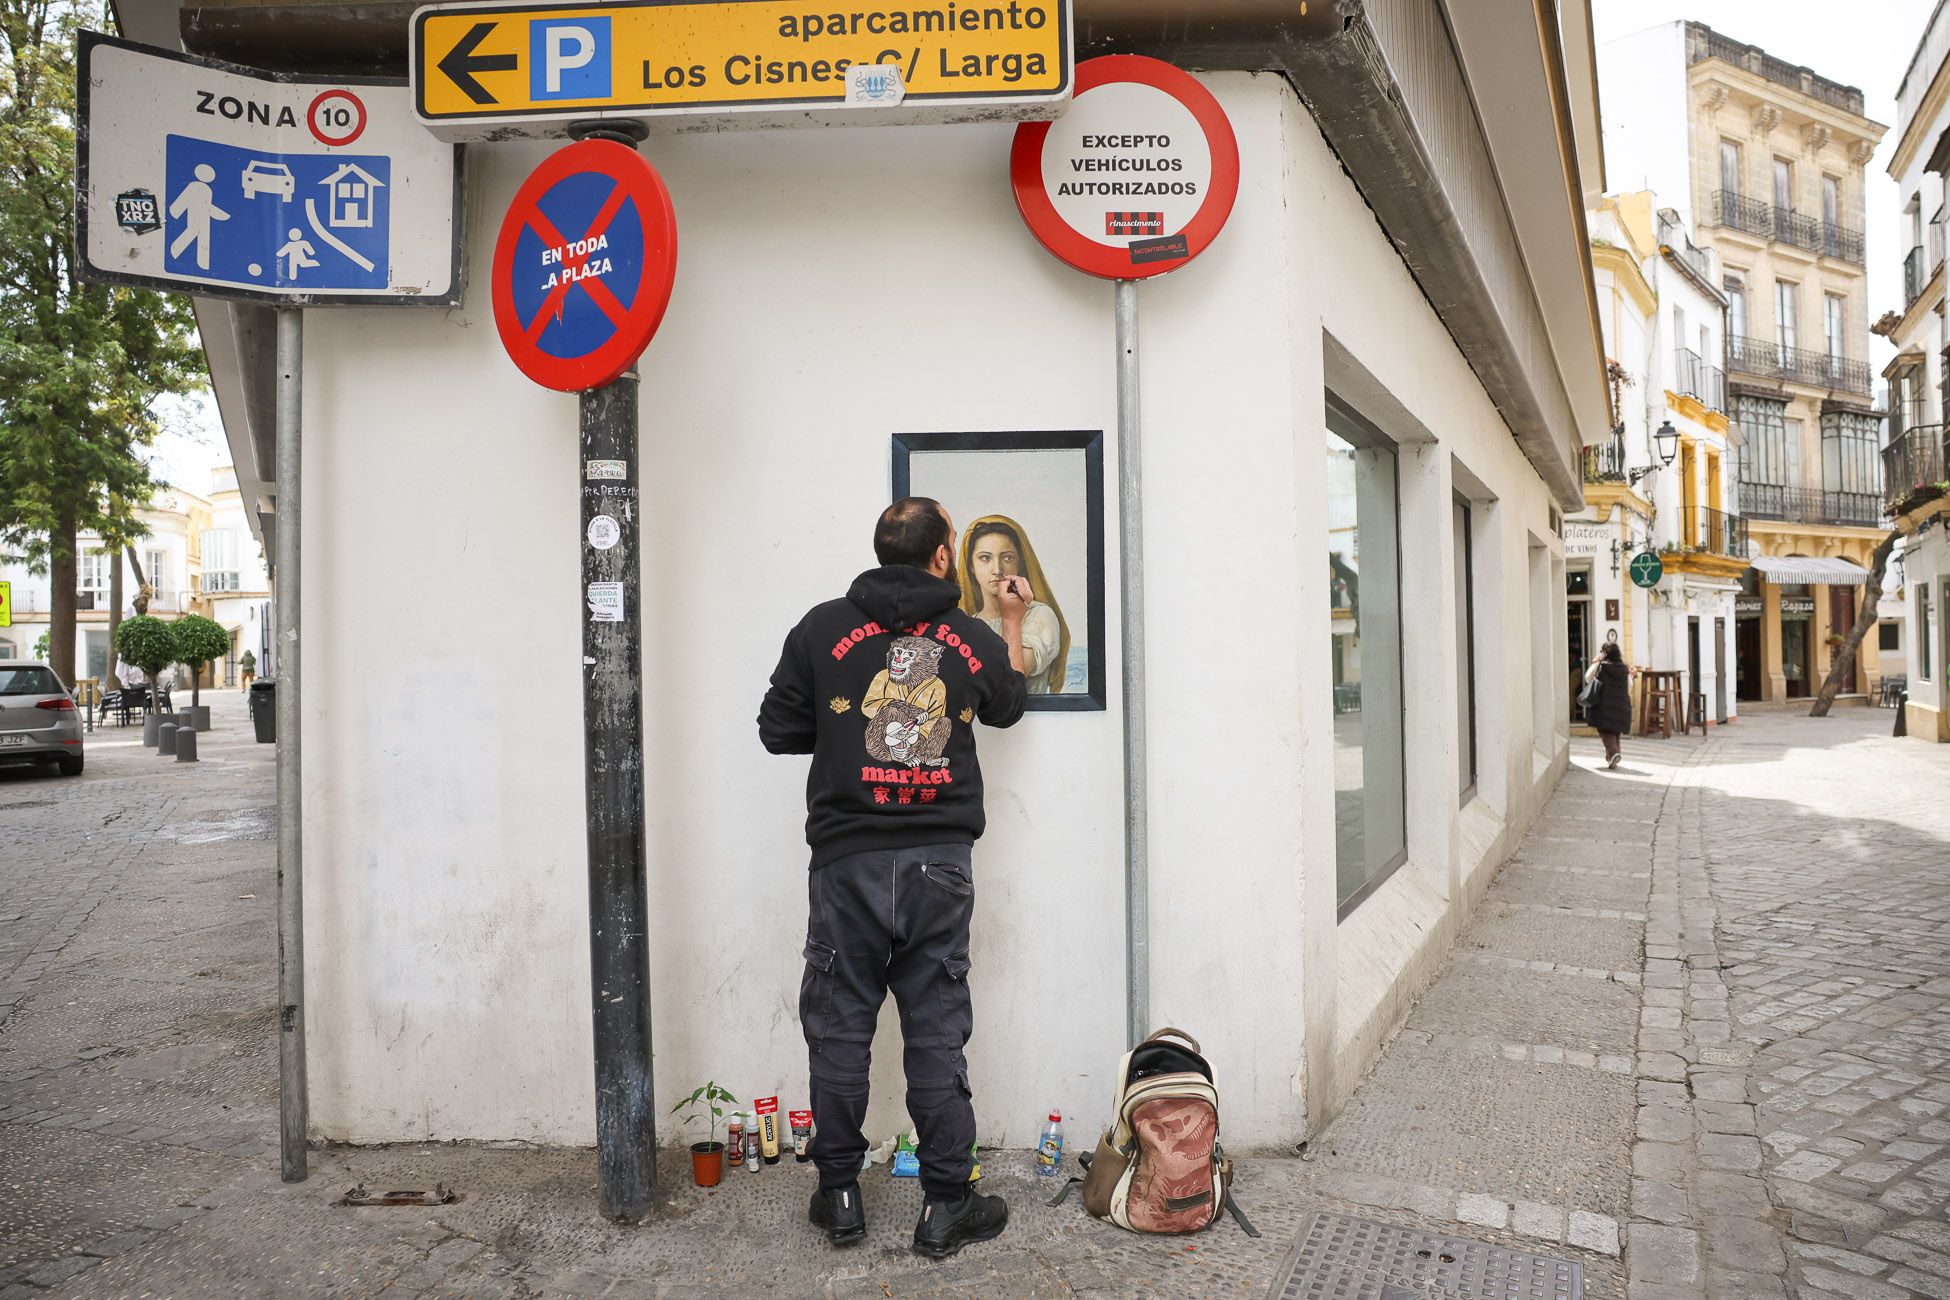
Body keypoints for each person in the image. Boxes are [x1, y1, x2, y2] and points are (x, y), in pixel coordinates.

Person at [758, 497, 1029, 1258]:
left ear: (882, 552)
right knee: (935, 1031)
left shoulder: (820, 627)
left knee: (840, 1030)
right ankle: (945, 1207)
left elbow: (777, 727)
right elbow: (1006, 703)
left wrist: (850, 739)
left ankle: (839, 1196)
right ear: (943, 557)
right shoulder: (970, 638)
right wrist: (1009, 624)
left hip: (846, 863)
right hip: (938, 866)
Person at [956, 515, 1070, 695]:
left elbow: (1008, 682)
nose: (997, 570)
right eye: (985, 558)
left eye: (1007, 558)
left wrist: (1011, 618)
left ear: (1020, 563)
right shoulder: (965, 624)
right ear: (971, 566)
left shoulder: (1040, 616)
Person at [1583, 642, 1634, 769]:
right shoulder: (1624, 669)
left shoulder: (1601, 666)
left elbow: (1588, 678)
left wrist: (1595, 662)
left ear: (1605, 654)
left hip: (1604, 707)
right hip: (1622, 707)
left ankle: (1614, 753)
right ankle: (1612, 757)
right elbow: (1629, 685)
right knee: (1615, 730)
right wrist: (1631, 676)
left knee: (1605, 730)